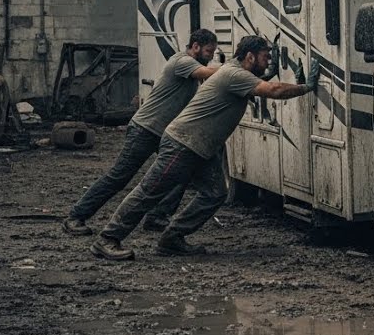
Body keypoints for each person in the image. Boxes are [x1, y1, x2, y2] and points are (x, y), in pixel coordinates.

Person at [90, 34, 319, 260]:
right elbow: (273, 90)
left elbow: (267, 83)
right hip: (183, 144)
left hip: (200, 148)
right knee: (149, 191)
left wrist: (294, 84)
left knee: (214, 193)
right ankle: (107, 239)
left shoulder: (238, 74)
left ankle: (172, 239)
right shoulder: (235, 74)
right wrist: (306, 87)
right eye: (265, 57)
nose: (268, 61)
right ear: (250, 56)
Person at [61, 29, 219, 236]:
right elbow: (208, 74)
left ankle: (157, 217)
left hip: (164, 133)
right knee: (119, 176)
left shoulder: (190, 65)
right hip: (145, 129)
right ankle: (75, 216)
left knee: (181, 174)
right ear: (196, 46)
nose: (210, 56)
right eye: (208, 51)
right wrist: (239, 71)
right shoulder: (182, 62)